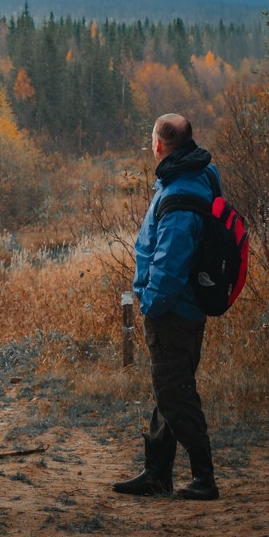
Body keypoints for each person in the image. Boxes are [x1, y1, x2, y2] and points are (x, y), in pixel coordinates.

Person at [113, 113, 220, 501]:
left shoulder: (180, 195)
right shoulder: (198, 174)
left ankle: (204, 478)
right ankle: (156, 474)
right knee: (169, 390)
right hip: (184, 306)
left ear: (158, 144)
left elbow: (170, 263)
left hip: (174, 311)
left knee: (175, 393)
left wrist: (151, 306)